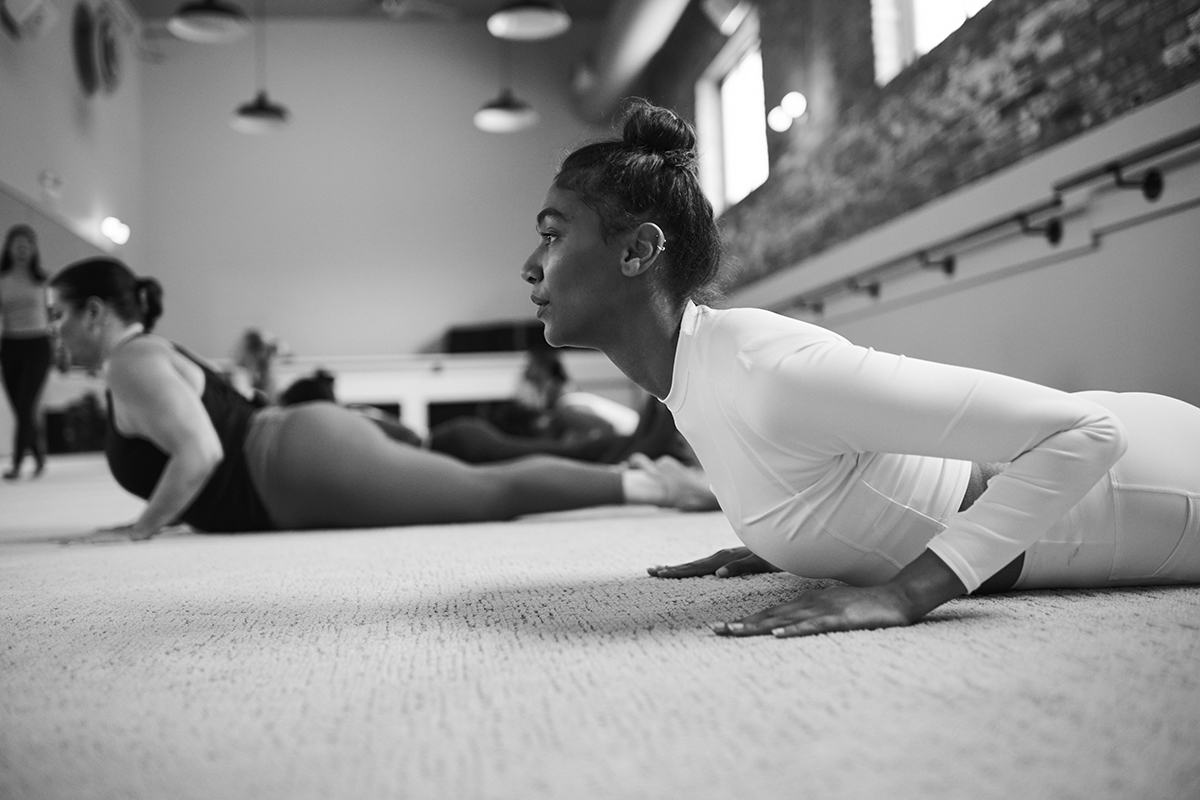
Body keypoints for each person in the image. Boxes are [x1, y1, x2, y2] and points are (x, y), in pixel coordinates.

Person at [520, 99, 1200, 639]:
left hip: (1153, 490)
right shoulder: (692, 373)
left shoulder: (765, 369)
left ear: (637, 252)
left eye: (552, 235)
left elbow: (1086, 433)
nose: (531, 265)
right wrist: (793, 547)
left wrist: (908, 594)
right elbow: (847, 484)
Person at [47, 257, 717, 542]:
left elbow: (198, 453)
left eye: (59, 315)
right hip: (299, 452)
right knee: (476, 474)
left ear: (97, 314)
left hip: (295, 467)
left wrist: (138, 532)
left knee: (489, 496)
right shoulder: (144, 357)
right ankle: (649, 474)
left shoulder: (131, 362)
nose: (52, 331)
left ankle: (663, 489)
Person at [0, 224, 53, 480]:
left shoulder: (43, 281)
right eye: (17, 245)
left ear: (33, 250)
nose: (22, 251)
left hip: (38, 346)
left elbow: (55, 318)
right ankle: (39, 453)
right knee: (20, 408)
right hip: (10, 346)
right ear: (8, 249)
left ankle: (18, 464)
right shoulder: (2, 281)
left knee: (25, 404)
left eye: (27, 246)